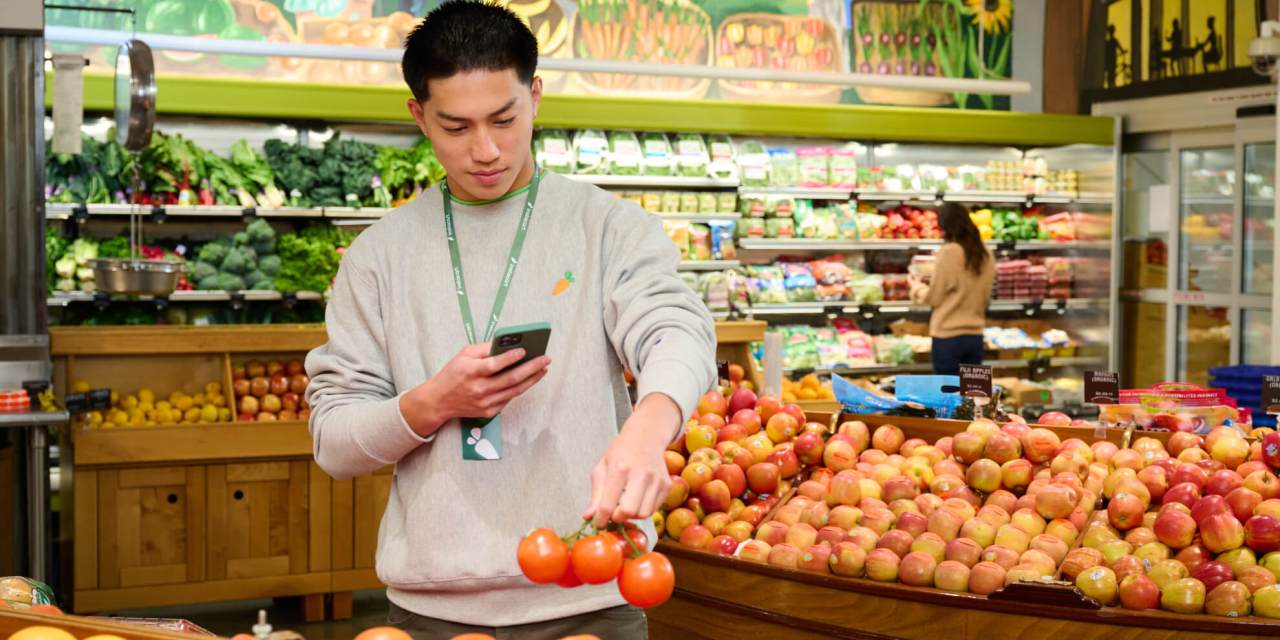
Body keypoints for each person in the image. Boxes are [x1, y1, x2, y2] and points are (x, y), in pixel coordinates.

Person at [303, 2, 717, 638]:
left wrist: (647, 428)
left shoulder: (605, 227)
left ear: (536, 95)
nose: (486, 150)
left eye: (505, 118)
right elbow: (333, 441)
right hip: (429, 613)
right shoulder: (377, 257)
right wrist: (430, 403)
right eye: (456, 127)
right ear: (418, 116)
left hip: (592, 595)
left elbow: (678, 328)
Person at [909, 203, 994, 376]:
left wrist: (916, 287)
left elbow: (934, 297)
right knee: (975, 396)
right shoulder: (986, 253)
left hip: (948, 337)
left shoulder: (949, 252)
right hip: (975, 336)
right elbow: (986, 299)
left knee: (947, 396)